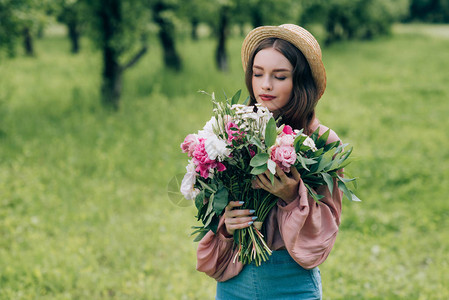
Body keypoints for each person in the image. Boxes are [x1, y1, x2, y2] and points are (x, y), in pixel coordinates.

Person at [196, 24, 342, 300]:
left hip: (292, 281)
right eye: (258, 73)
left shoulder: (321, 141)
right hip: (235, 278)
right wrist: (227, 221)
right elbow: (210, 210)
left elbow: (327, 227)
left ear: (299, 81)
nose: (265, 85)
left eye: (280, 76)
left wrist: (291, 196)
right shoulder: (231, 131)